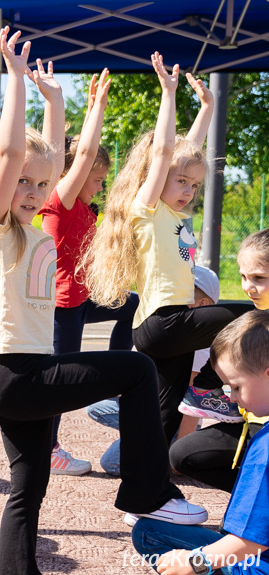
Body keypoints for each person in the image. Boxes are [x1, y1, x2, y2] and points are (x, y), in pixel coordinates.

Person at [0, 32, 207, 575]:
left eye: (42, 184)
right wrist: (15, 80)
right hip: (11, 374)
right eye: (21, 182)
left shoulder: (41, 221)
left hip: (29, 374)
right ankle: (145, 492)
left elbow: (70, 154)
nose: (35, 191)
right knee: (136, 370)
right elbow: (16, 151)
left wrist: (57, 102)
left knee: (30, 486)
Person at [82, 53, 252, 444]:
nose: (188, 191)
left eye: (194, 185)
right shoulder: (148, 209)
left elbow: (185, 153)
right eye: (181, 183)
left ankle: (145, 494)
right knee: (257, 316)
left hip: (168, 326)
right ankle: (208, 388)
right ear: (155, 178)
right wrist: (168, 95)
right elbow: (164, 153)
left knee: (164, 415)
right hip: (163, 322)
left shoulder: (173, 214)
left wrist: (207, 107)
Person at [39, 68, 139, 476]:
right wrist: (95, 105)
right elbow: (78, 156)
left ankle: (116, 379)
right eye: (95, 179)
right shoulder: (58, 202)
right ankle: (49, 449)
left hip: (80, 302)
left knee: (128, 303)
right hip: (62, 308)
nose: (98, 185)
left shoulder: (83, 208)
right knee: (59, 382)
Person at [132, 310, 269, 575]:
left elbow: (250, 543)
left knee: (148, 534)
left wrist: (195, 562)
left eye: (235, 387)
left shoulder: (265, 449)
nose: (230, 398)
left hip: (257, 564)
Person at [88, 265, 221, 477]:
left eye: (178, 295)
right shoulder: (168, 328)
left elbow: (192, 401)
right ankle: (143, 437)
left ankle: (162, 446)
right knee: (96, 406)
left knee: (112, 463)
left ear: (202, 305)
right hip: (155, 407)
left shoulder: (199, 342)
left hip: (179, 422)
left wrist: (179, 452)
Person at [169, 231, 269, 493]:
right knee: (182, 454)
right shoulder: (249, 322)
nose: (248, 287)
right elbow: (212, 372)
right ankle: (255, 500)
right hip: (255, 426)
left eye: (259, 278)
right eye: (243, 277)